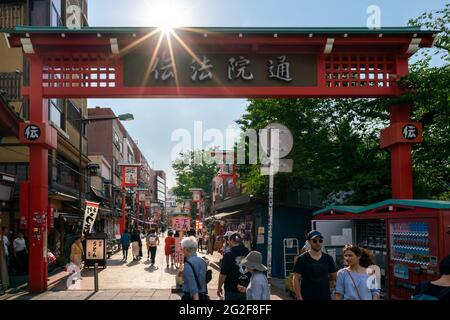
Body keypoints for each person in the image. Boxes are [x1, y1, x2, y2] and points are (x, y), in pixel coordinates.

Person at [292, 230, 337, 300]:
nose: (318, 243)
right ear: (309, 242)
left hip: (325, 297)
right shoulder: (302, 259)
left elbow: (335, 277)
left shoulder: (328, 258)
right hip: (307, 296)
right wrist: (299, 297)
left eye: (320, 241)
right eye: (314, 241)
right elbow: (296, 279)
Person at [218, 233, 250, 300]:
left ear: (232, 241)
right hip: (247, 290)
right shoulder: (249, 253)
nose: (228, 243)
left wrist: (219, 287)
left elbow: (223, 274)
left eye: (228, 241)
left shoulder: (228, 255)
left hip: (231, 291)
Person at [181, 236, 208, 300]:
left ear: (186, 249)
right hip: (202, 293)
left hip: (191, 295)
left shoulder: (188, 264)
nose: (182, 251)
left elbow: (192, 284)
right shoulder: (202, 261)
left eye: (182, 248)